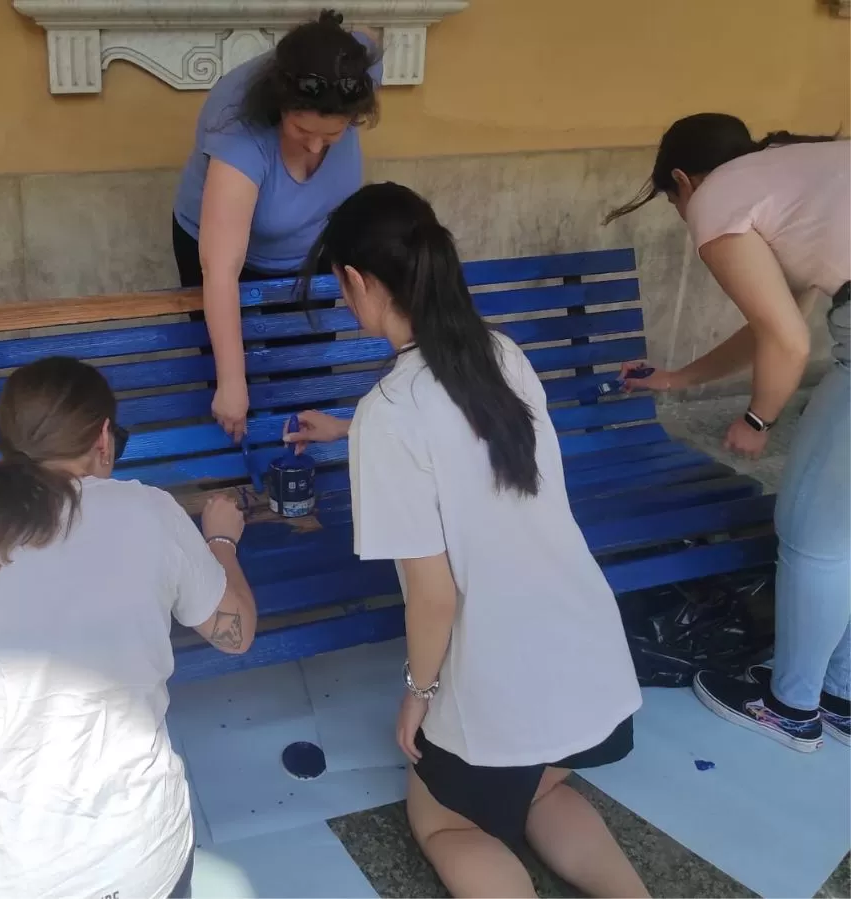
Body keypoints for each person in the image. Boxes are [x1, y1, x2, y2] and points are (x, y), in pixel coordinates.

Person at [284, 182, 648, 898]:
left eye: (338, 284)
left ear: (357, 280)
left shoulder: (389, 414)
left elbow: (434, 594)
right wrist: (353, 429)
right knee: (541, 789)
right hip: (585, 649)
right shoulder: (501, 352)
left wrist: (418, 694)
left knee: (446, 821)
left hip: (496, 672)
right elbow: (461, 438)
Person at [0, 356, 257, 898]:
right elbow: (235, 633)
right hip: (139, 866)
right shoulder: (149, 513)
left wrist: (9, 836)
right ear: (104, 438)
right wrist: (220, 541)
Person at [606, 113, 850, 752]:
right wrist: (677, 379)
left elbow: (788, 341)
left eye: (674, 201)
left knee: (814, 534)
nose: (688, 217)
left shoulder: (718, 196)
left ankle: (790, 707)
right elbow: (771, 325)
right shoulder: (794, 182)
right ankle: (842, 695)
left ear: (683, 181)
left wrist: (757, 418)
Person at [172, 9, 381, 441]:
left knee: (306, 368)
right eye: (303, 130)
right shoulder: (238, 127)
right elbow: (221, 269)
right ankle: (238, 475)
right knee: (228, 374)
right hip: (225, 252)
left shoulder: (353, 75)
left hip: (310, 248)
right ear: (280, 103)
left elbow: (364, 37)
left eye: (334, 135)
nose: (316, 146)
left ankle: (298, 474)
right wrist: (233, 384)